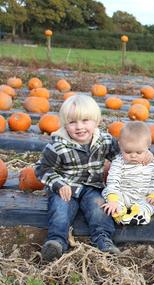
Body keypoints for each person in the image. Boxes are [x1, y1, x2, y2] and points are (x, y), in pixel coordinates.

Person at [36, 95, 121, 261]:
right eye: (72, 122)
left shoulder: (105, 141)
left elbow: (120, 158)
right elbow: (42, 168)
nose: (79, 127)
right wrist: (58, 184)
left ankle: (103, 240)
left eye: (85, 120)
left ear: (96, 121)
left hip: (93, 188)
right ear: (65, 124)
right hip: (67, 187)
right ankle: (56, 242)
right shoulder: (57, 145)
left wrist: (140, 158)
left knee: (100, 209)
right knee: (60, 210)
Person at [101, 121, 154, 225]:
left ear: (148, 146)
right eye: (128, 152)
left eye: (139, 152)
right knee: (108, 196)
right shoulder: (118, 162)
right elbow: (113, 181)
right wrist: (113, 200)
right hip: (121, 194)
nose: (133, 156)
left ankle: (139, 214)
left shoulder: (151, 163)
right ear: (120, 145)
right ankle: (119, 213)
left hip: (141, 196)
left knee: (149, 205)